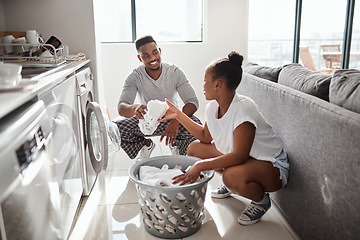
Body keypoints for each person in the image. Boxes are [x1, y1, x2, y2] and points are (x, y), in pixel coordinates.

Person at [159, 51, 290, 225]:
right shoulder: (213, 106)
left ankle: (261, 201)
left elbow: (239, 156)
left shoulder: (243, 109)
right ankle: (233, 183)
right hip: (249, 159)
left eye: (206, 80)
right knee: (194, 149)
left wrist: (200, 165)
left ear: (218, 84)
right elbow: (205, 137)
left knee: (230, 177)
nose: (203, 85)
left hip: (272, 166)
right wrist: (178, 115)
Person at [116, 35, 201, 159]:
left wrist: (176, 119)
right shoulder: (135, 77)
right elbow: (122, 107)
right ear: (140, 58)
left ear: (159, 51)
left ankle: (178, 146)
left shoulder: (174, 72)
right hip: (147, 121)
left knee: (196, 124)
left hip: (172, 118)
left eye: (155, 52)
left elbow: (192, 102)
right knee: (116, 128)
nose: (152, 58)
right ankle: (145, 145)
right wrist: (135, 108)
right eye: (146, 55)